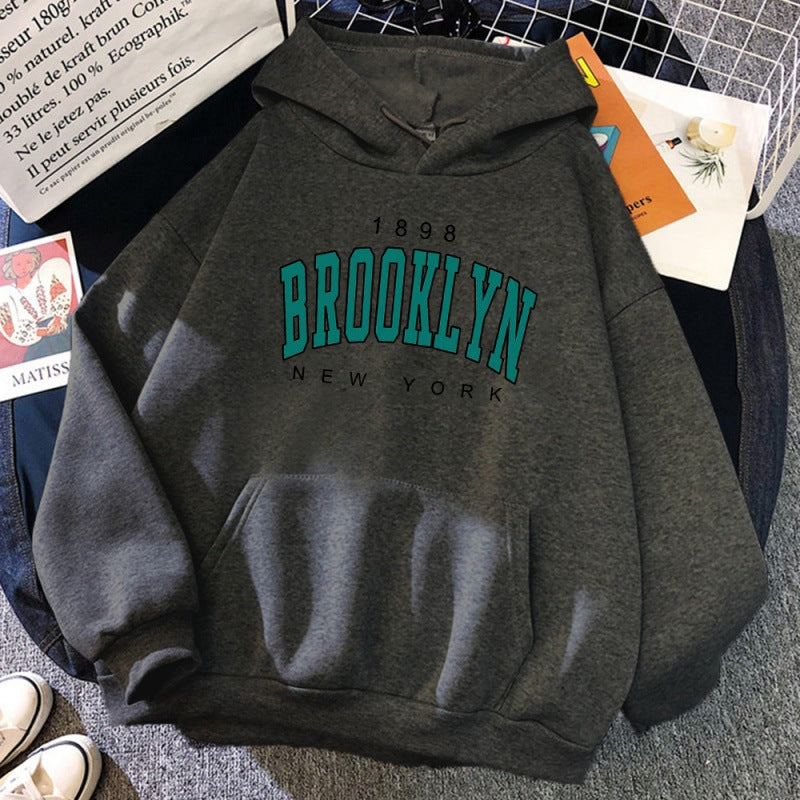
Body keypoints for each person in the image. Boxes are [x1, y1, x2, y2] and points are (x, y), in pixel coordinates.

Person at [0, 247, 73, 362]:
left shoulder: (44, 275)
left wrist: (58, 318)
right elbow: (11, 328)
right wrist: (43, 331)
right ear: (10, 267)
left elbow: (60, 293)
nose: (23, 267)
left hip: (62, 326)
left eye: (28, 262)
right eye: (18, 264)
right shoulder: (7, 294)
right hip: (37, 339)